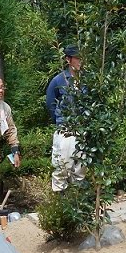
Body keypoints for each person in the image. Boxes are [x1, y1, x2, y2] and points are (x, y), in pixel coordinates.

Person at [45, 46, 86, 193]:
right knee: (62, 165)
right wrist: (59, 120)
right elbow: (50, 103)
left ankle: (78, 201)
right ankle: (59, 204)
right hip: (65, 128)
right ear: (68, 60)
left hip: (83, 127)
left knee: (81, 167)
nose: (80, 61)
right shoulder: (58, 80)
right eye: (77, 58)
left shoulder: (87, 79)